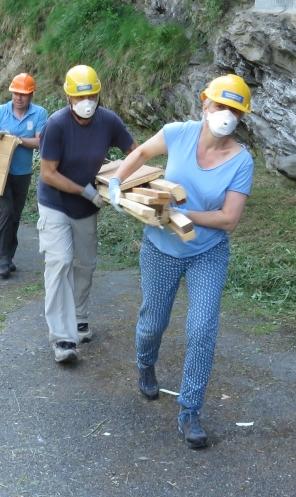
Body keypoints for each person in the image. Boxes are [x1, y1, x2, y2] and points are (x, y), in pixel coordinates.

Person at [109, 73, 254, 449]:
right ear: (205, 103)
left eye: (234, 110)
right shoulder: (178, 133)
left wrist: (183, 211)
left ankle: (190, 410)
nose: (225, 114)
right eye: (219, 105)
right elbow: (141, 153)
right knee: (152, 323)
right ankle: (145, 364)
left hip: (208, 252)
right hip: (160, 247)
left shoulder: (241, 161)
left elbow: (228, 219)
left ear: (241, 117)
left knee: (202, 330)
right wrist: (117, 182)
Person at [38, 64, 139, 363]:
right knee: (60, 263)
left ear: (98, 94)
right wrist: (85, 191)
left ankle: (79, 318)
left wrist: (125, 186)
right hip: (55, 203)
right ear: (68, 97)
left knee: (85, 264)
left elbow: (136, 151)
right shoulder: (56, 125)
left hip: (87, 208)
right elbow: (48, 174)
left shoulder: (108, 121)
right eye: (80, 97)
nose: (87, 102)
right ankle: (63, 339)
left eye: (92, 95)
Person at [0, 73, 47, 279]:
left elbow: (40, 142)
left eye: (24, 94)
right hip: (0, 173)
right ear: (11, 92)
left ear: (31, 95)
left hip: (23, 173)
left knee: (15, 217)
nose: (19, 98)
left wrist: (16, 139)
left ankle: (8, 256)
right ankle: (1, 260)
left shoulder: (39, 114)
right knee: (5, 212)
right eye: (16, 93)